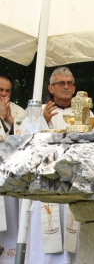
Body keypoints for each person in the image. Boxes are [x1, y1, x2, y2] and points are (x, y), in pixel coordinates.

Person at [22, 67, 94, 264]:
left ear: (74, 89)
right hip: (45, 187)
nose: (66, 87)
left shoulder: (88, 116)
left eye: (70, 83)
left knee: (74, 240)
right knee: (44, 241)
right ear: (50, 88)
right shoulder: (37, 113)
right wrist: (42, 120)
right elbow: (23, 142)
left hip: (75, 185)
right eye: (61, 83)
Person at [0, 76, 25, 259]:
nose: (4, 94)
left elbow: (24, 140)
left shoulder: (18, 112)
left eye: (8, 91)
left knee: (11, 218)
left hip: (10, 175)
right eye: (0, 90)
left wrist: (9, 120)